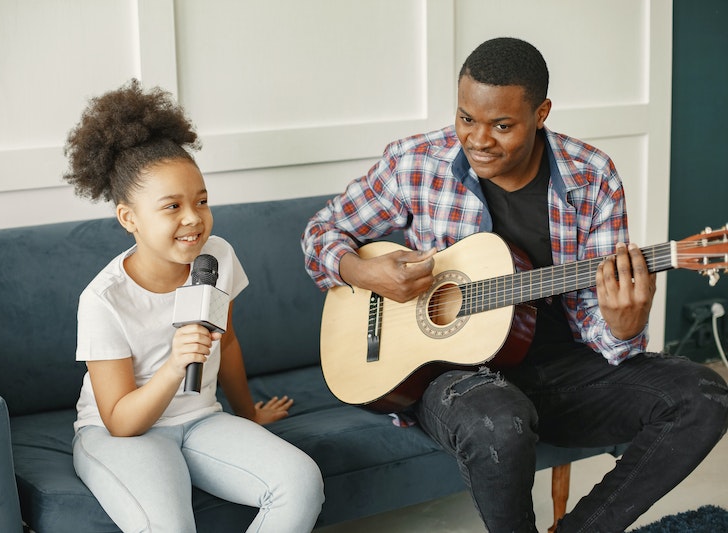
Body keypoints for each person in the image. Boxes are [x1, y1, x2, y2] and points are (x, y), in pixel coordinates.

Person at [301, 37, 728, 532]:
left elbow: (602, 331)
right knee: (499, 423)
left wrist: (623, 325)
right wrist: (362, 271)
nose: (479, 140)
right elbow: (321, 232)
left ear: (541, 113)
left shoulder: (592, 177)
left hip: (561, 368)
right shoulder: (415, 161)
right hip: (455, 379)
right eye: (466, 118)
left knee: (704, 395)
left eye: (502, 126)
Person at [64, 80, 323, 532]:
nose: (193, 218)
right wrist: (173, 365)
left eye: (201, 201)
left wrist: (248, 414)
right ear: (129, 218)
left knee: (300, 483)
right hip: (121, 434)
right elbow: (121, 421)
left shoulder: (217, 256)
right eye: (172, 206)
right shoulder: (103, 300)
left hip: (202, 420)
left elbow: (229, 342)